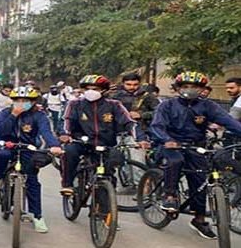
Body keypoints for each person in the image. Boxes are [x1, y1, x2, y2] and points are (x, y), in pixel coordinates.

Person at [149, 72, 241, 239]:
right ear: (178, 88)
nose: (190, 89)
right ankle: (169, 195)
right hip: (171, 145)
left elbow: (229, 122)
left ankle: (199, 219)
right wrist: (167, 140)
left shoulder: (208, 106)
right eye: (185, 86)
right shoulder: (167, 106)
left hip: (196, 146)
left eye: (194, 86)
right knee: (175, 161)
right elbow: (157, 126)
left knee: (199, 181)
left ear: (201, 89)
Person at [0, 87, 63, 233]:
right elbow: (0, 130)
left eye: (25, 100)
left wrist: (54, 145)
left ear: (33, 102)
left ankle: (37, 216)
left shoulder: (39, 116)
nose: (21, 103)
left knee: (32, 181)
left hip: (28, 148)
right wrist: (13, 115)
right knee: (1, 154)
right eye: (18, 100)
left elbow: (46, 132)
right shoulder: (5, 113)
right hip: (7, 145)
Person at [59, 74, 148, 196]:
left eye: (95, 89)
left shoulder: (114, 105)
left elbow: (129, 123)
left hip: (106, 144)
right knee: (69, 152)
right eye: (87, 89)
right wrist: (65, 134)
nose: (91, 92)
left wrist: (141, 139)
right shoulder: (75, 104)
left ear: (104, 90)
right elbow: (67, 121)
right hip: (82, 143)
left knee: (111, 168)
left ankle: (107, 200)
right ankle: (68, 184)